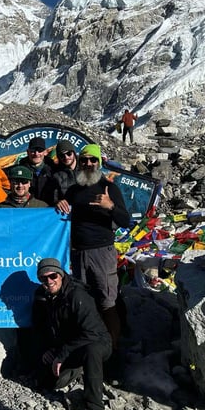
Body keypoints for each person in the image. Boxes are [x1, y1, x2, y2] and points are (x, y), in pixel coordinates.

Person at [55, 144, 130, 353]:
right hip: (77, 253)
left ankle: (112, 350)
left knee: (107, 302)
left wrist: (111, 207)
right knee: (84, 302)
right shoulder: (74, 190)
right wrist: (60, 202)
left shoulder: (110, 188)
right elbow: (64, 210)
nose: (88, 164)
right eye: (85, 160)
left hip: (101, 252)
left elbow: (125, 221)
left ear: (99, 163)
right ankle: (89, 348)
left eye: (93, 160)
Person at [31, 258, 112, 410]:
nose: (49, 281)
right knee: (50, 382)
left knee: (92, 351)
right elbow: (38, 327)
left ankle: (94, 408)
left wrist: (62, 354)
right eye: (43, 278)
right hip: (65, 346)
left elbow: (92, 333)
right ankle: (75, 370)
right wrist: (46, 349)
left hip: (96, 342)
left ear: (61, 275)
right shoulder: (41, 296)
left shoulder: (77, 295)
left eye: (53, 276)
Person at [19, 137, 56, 204]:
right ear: (28, 152)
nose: (36, 154)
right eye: (33, 150)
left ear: (45, 152)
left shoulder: (54, 170)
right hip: (28, 208)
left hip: (50, 210)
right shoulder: (19, 171)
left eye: (40, 150)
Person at [48, 140, 79, 204]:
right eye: (62, 156)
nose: (66, 157)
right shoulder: (57, 176)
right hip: (69, 212)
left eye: (69, 154)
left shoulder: (86, 167)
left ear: (74, 153)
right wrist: (58, 202)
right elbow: (53, 199)